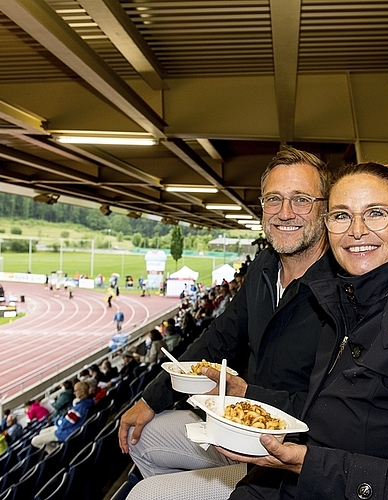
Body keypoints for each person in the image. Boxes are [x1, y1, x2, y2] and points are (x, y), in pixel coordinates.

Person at [206, 162, 388, 500]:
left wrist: (308, 464)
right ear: (327, 227)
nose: (356, 230)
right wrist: (249, 396)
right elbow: (331, 410)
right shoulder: (347, 304)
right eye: (341, 216)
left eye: (375, 213)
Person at [119, 146, 341, 480]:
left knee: (144, 493)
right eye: (274, 199)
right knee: (140, 437)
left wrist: (248, 394)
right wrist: (151, 398)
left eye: (301, 200)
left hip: (296, 450)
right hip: (242, 425)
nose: (285, 212)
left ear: (324, 210)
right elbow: (216, 341)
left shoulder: (342, 289)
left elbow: (333, 407)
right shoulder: (264, 267)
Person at [31, 381, 94, 451]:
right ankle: (57, 447)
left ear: (82, 392)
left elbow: (65, 424)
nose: (74, 393)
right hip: (70, 428)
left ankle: (54, 452)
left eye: (76, 391)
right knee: (42, 432)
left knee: (34, 441)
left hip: (66, 433)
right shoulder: (89, 402)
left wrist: (58, 421)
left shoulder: (80, 407)